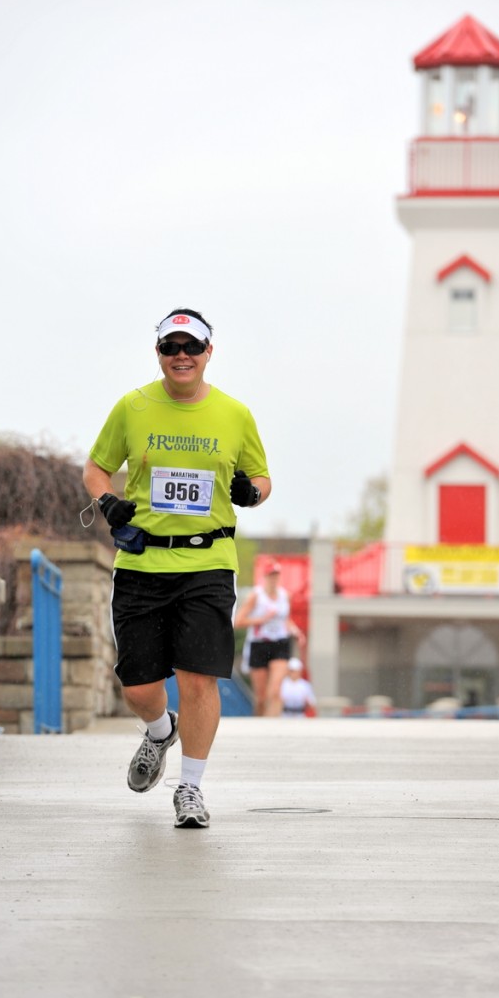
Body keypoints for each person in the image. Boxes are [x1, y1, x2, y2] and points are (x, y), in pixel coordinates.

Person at [83, 308, 270, 829]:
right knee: (140, 687)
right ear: (159, 353)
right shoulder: (133, 406)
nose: (181, 355)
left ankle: (190, 788)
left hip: (208, 561)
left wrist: (250, 493)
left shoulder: (235, 414)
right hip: (142, 561)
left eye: (192, 346)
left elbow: (260, 476)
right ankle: (160, 732)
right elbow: (96, 467)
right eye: (171, 347)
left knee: (198, 681)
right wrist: (106, 502)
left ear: (210, 352)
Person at [234, 561, 305, 716]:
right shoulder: (256, 596)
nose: (274, 579)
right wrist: (262, 619)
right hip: (259, 644)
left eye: (276, 575)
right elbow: (238, 621)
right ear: (265, 577)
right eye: (271, 575)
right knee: (261, 697)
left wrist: (296, 631)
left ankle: (274, 726)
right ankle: (259, 724)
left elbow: (286, 619)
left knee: (274, 691)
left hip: (279, 643)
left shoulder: (285, 595)